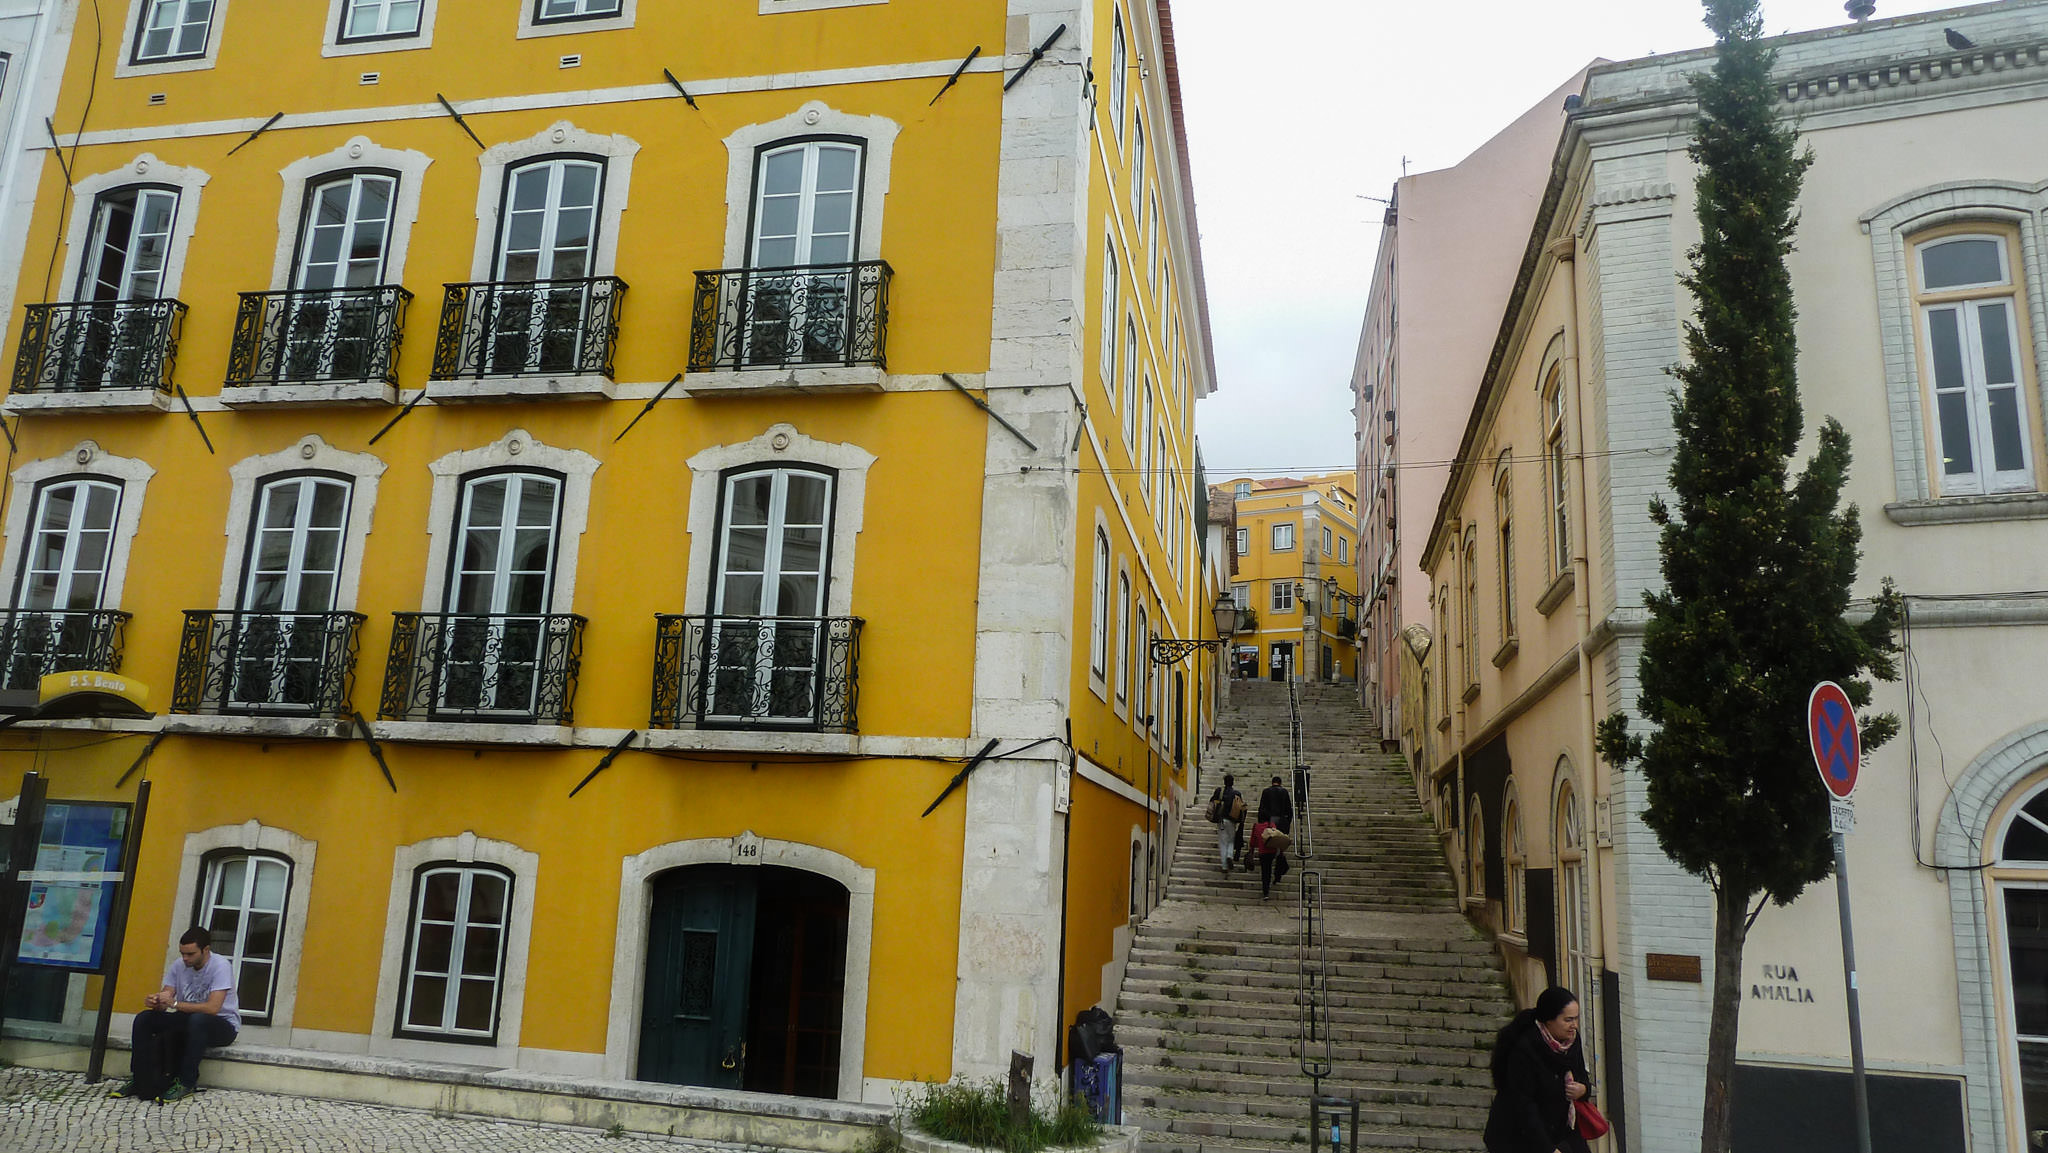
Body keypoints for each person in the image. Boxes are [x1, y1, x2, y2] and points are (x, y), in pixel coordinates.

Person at [113, 927, 240, 1103]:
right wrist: (157, 1002)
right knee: (145, 1018)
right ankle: (140, 1077)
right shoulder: (179, 965)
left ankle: (186, 1082)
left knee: (198, 1020)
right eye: (182, 954)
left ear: (206, 950)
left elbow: (213, 1008)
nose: (185, 958)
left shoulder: (220, 966)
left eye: (190, 954)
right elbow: (167, 996)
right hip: (188, 1020)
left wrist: (174, 1004)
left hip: (222, 1025)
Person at [1483, 986, 1594, 1153]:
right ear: (1549, 1020)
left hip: (1561, 1129)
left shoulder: (1572, 1041)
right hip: (1519, 1137)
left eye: (1576, 1019)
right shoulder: (1525, 1049)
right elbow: (1524, 1106)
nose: (1574, 1025)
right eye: (1568, 1020)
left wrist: (1583, 1089)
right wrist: (1548, 1149)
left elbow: (1581, 1074)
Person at [1208, 774, 1243, 875]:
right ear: (1233, 782)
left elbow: (1212, 802)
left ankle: (1224, 865)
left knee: (1223, 842)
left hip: (1222, 821)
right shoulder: (1237, 794)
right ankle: (1229, 855)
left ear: (1224, 782)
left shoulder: (1219, 792)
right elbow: (1241, 808)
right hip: (1232, 821)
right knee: (1231, 840)